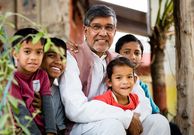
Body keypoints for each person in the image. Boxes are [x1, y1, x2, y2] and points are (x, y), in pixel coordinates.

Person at [60, 4, 170, 135]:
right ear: (85, 30)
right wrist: (125, 118)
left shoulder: (119, 60)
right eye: (96, 27)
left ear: (114, 32)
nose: (103, 33)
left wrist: (132, 119)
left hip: (120, 120)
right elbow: (75, 109)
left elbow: (143, 101)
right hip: (81, 126)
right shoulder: (72, 57)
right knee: (113, 125)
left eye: (109, 28)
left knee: (159, 122)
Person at [115, 33, 182, 135]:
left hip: (142, 122)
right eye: (127, 52)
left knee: (170, 127)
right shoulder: (111, 80)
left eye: (137, 53)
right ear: (117, 54)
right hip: (120, 122)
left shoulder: (141, 85)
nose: (132, 56)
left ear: (141, 57)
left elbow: (154, 110)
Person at [10, 28, 56, 135]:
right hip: (23, 129)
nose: (34, 58)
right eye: (27, 52)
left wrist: (51, 132)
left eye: (39, 52)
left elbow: (48, 105)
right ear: (15, 53)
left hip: (42, 127)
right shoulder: (11, 78)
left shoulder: (42, 75)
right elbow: (20, 111)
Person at [93, 57, 152, 134]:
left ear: (134, 80)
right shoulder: (104, 100)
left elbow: (145, 109)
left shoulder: (135, 98)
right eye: (119, 78)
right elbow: (95, 111)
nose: (125, 82)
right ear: (109, 82)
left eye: (129, 77)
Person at [41, 37, 67, 135]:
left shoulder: (59, 93)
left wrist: (43, 111)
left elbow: (60, 130)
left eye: (62, 58)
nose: (58, 61)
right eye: (51, 55)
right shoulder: (28, 85)